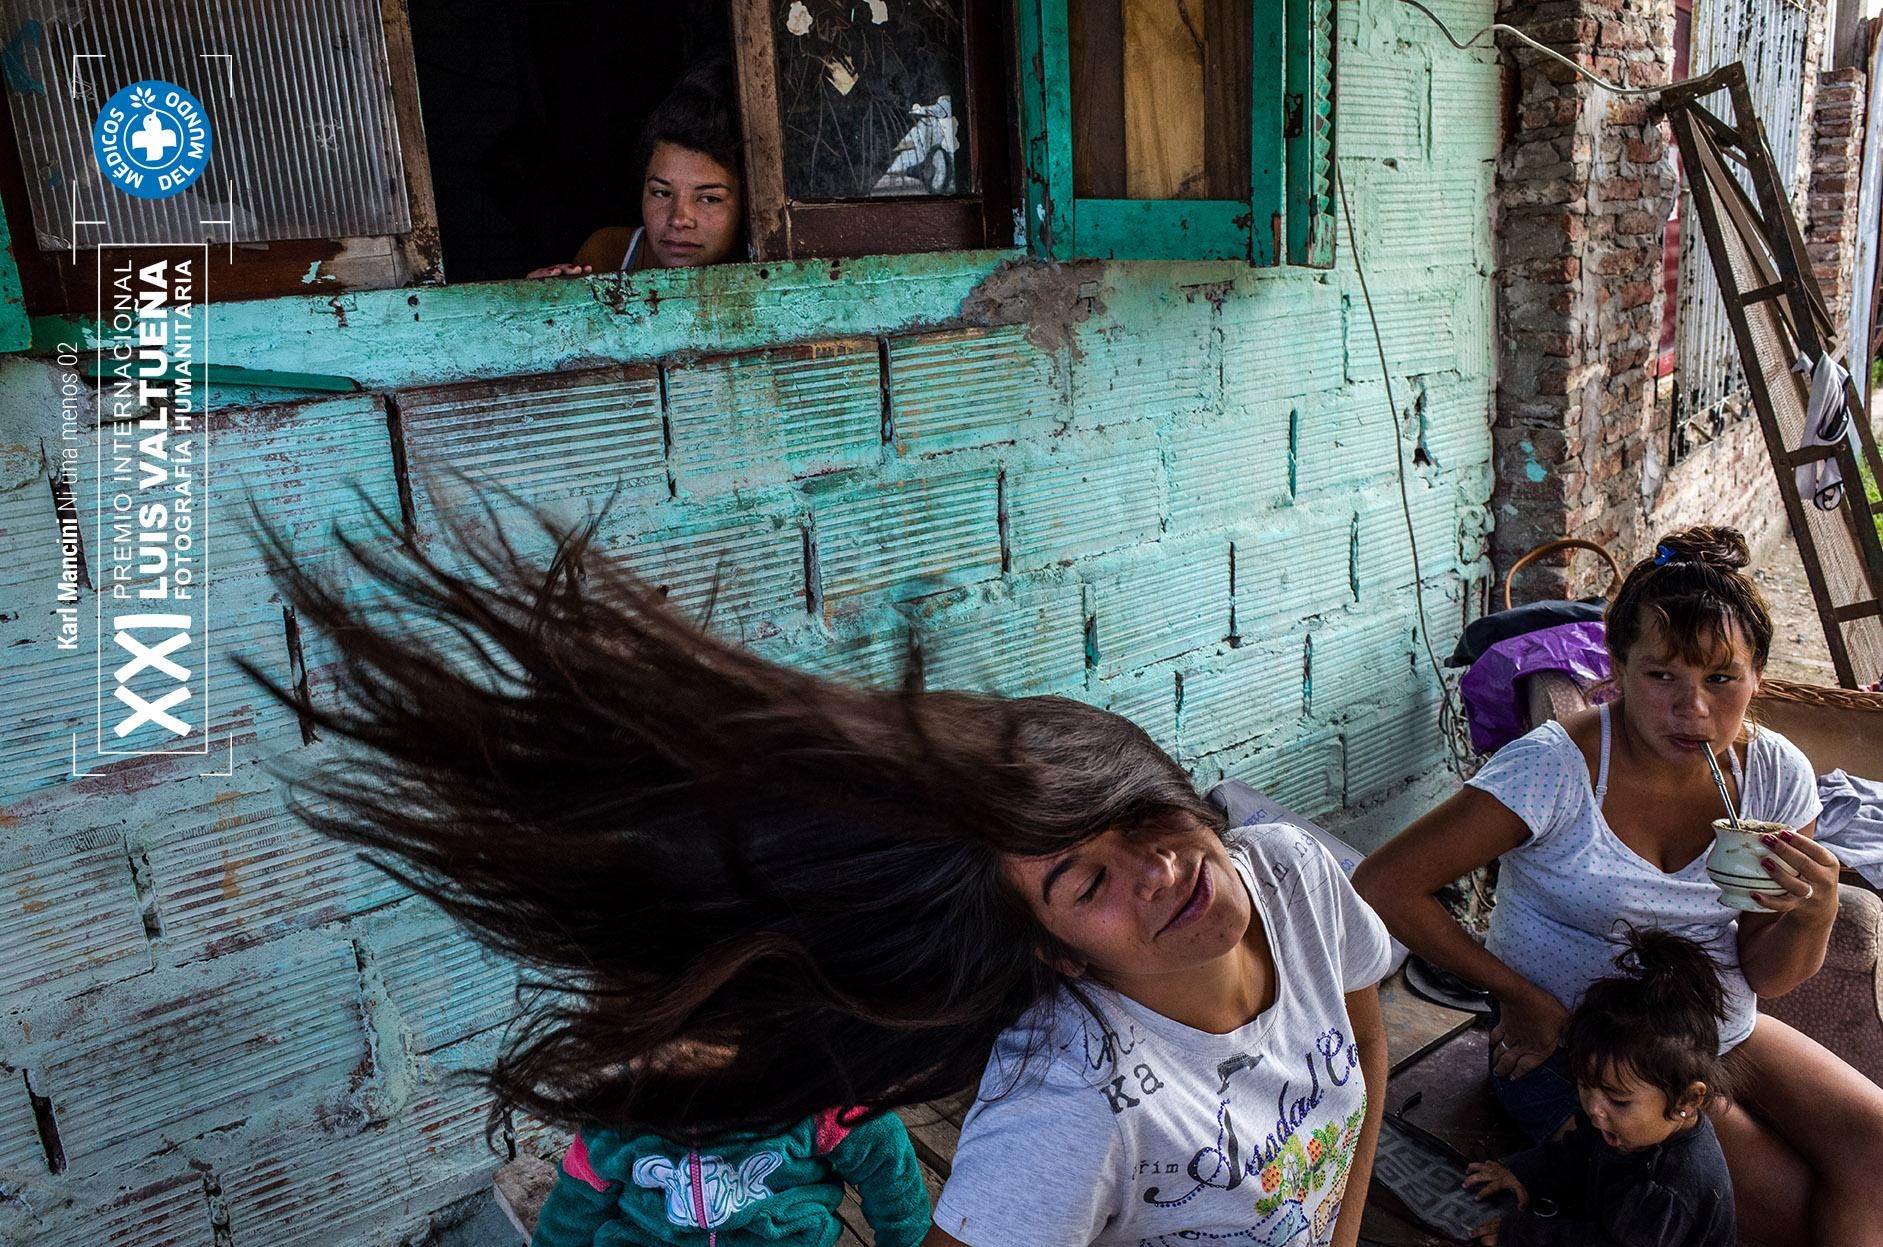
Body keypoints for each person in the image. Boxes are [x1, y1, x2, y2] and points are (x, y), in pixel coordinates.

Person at [242, 505, 1394, 1247]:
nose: (1155, 870)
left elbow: (1360, 1035)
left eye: (1142, 816)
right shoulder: (1070, 1101)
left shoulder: (1287, 872)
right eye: (1083, 882)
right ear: (1050, 946)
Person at [1353, 526, 1883, 1246]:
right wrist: (1520, 997)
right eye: (1661, 674)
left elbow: (1766, 970)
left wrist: (1812, 911)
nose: (1691, 708)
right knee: (1784, 1211)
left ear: (1757, 673)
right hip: (1583, 1052)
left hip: (1720, 1029)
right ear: (1617, 668)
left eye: (1720, 678)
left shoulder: (1772, 776)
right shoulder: (1554, 768)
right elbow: (1386, 882)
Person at [1463, 927, 1734, 1247]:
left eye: (1618, 1100)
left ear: (1689, 1099)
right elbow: (1576, 1153)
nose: (1594, 1107)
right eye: (1585, 1084)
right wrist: (1523, 1173)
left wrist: (1524, 1235)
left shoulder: (1669, 1192)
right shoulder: (1621, 1124)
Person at [531, 1101, 930, 1246]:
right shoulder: (614, 1119)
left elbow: (884, 1160)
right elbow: (576, 1202)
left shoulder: (816, 1100)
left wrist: (906, 1240)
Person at [527, 60, 743, 278]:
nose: (678, 219)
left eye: (709, 198)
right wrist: (546, 302)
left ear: (746, 201)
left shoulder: (770, 264)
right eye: (661, 192)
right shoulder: (610, 255)